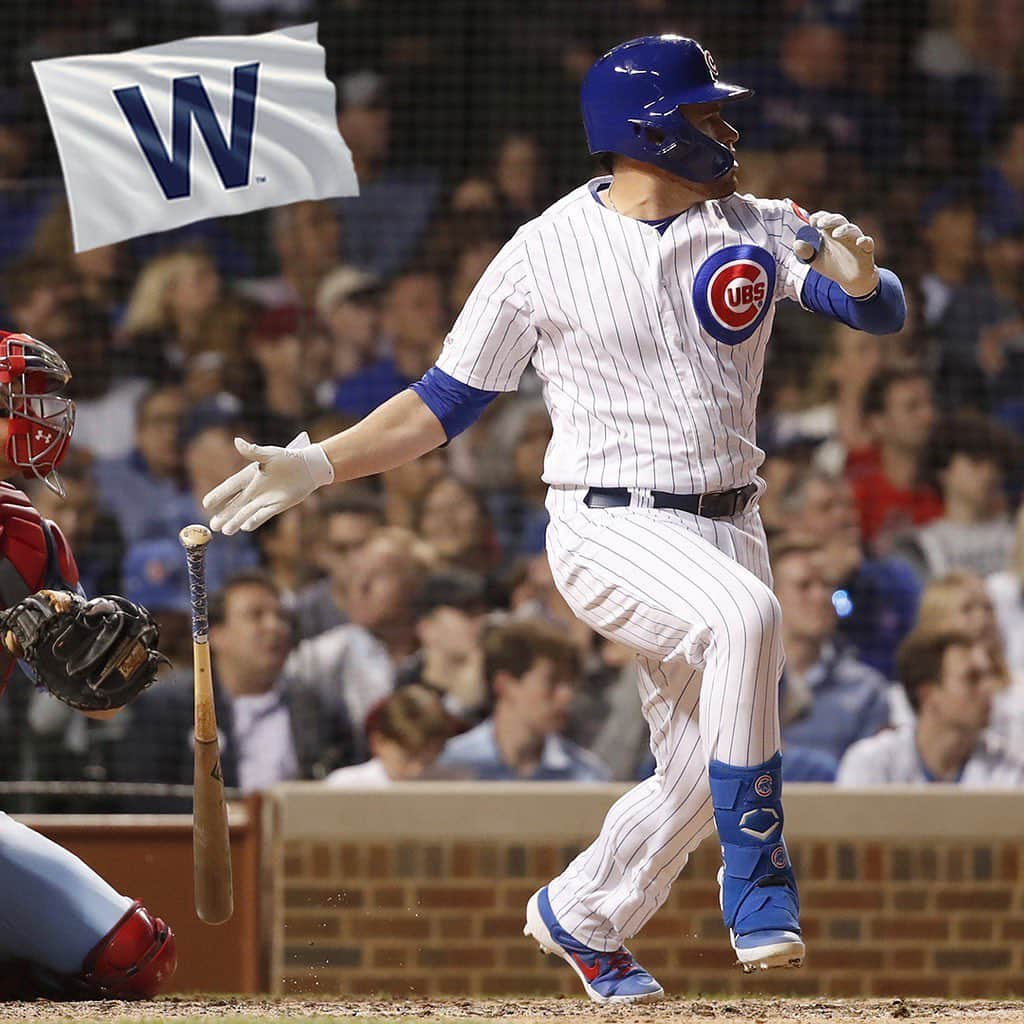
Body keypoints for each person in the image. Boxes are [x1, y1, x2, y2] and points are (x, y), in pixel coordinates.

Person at [203, 35, 906, 1000]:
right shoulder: (541, 250)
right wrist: (322, 461)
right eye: (706, 113)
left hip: (729, 522)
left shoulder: (755, 221)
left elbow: (879, 315)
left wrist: (862, 277)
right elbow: (441, 404)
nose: (727, 128)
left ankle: (583, 913)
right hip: (606, 524)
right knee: (747, 620)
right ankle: (758, 877)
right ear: (649, 129)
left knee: (706, 766)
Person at [0, 330, 176, 999]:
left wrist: (90, 646)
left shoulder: (26, 535)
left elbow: (94, 698)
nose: (40, 416)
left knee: (135, 954)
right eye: (19, 399)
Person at [116, 570, 354, 804]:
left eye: (281, 617)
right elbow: (145, 800)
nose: (274, 627)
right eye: (256, 615)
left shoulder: (319, 708)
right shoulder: (169, 709)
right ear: (216, 635)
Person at [837, 628, 1024, 786]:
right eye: (972, 679)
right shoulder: (871, 763)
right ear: (928, 695)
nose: (988, 689)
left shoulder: (1011, 767)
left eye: (988, 677)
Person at [437, 618, 609, 782]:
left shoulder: (587, 776)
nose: (567, 695)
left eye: (570, 683)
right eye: (552, 681)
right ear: (505, 685)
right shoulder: (448, 766)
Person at [772, 536, 890, 764]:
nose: (820, 597)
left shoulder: (867, 691)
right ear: (772, 594)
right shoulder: (747, 681)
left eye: (827, 585)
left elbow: (869, 784)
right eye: (804, 586)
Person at [894, 414, 1018, 582]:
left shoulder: (1017, 533)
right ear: (943, 470)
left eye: (994, 464)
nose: (989, 473)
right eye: (976, 462)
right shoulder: (922, 546)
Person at [847, 365, 942, 551]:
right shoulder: (856, 490)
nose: (928, 416)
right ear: (877, 423)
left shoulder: (950, 481)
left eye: (929, 404)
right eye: (912, 407)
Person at [289, 488, 385, 642]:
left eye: (363, 546)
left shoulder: (404, 603)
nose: (355, 559)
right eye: (341, 549)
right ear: (321, 553)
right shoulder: (303, 613)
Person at [396, 569, 489, 726]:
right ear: (427, 629)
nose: (480, 623)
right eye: (467, 613)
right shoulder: (403, 695)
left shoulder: (497, 684)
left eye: (482, 613)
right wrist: (459, 705)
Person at [323, 685, 452, 787]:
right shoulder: (345, 786)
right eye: (407, 758)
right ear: (378, 743)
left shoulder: (453, 785)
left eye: (427, 762)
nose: (416, 771)